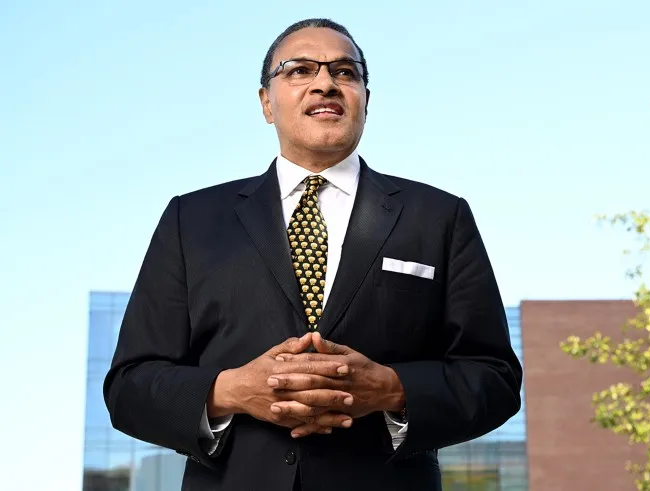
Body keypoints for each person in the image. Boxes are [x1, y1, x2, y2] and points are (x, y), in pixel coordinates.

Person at [104, 18, 522, 491]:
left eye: (346, 72)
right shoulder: (192, 220)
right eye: (299, 70)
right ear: (266, 102)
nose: (326, 82)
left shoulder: (439, 217)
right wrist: (230, 391)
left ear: (366, 98)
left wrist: (390, 389)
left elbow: (494, 378)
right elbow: (129, 386)